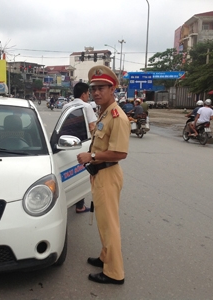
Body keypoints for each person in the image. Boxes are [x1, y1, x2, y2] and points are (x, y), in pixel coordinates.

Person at [77, 65, 130, 285]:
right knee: (102, 222)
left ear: (112, 88)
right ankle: (104, 257)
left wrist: (92, 157)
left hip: (108, 173)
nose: (96, 92)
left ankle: (114, 273)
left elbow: (120, 153)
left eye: (102, 88)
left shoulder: (117, 117)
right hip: (101, 174)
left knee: (110, 225)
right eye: (94, 88)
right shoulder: (105, 113)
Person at [62, 82, 97, 214]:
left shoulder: (66, 106)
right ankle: (80, 205)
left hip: (66, 144)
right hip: (81, 144)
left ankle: (71, 200)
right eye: (88, 93)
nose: (88, 95)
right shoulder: (86, 106)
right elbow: (92, 127)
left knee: (68, 174)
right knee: (81, 173)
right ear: (83, 94)